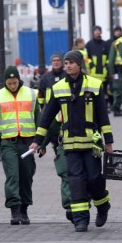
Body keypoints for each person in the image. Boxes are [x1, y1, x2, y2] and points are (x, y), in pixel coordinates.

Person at [30, 50, 114, 232]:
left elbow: (102, 115)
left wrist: (108, 141)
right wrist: (37, 140)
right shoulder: (58, 87)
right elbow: (47, 117)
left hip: (91, 143)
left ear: (79, 65)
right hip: (70, 144)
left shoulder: (94, 85)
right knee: (75, 180)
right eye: (66, 63)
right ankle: (81, 219)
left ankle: (102, 205)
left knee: (93, 178)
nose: (67, 66)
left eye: (71, 63)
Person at [0, 66, 39, 225]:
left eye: (14, 83)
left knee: (26, 176)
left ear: (18, 80)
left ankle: (24, 209)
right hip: (8, 142)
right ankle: (14, 209)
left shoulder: (31, 94)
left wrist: (40, 141)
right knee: (12, 175)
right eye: (9, 83)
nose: (12, 86)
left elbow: (38, 117)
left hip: (28, 142)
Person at [86, 26, 111, 104]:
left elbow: (109, 57)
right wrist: (91, 65)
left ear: (101, 32)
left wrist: (107, 67)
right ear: (93, 32)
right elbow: (87, 57)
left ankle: (105, 105)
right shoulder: (89, 44)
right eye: (95, 31)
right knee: (93, 90)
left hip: (104, 72)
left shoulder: (105, 44)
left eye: (98, 30)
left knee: (104, 91)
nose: (97, 32)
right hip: (93, 73)